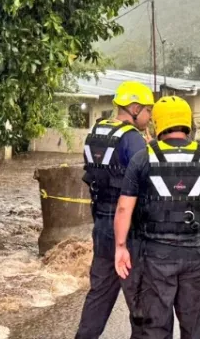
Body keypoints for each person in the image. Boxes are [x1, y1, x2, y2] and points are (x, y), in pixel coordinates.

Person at [114, 96, 200, 339]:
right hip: (197, 253)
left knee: (155, 327)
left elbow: (124, 208)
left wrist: (120, 247)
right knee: (197, 327)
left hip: (155, 254)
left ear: (158, 124)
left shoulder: (142, 159)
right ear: (187, 123)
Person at [74, 81, 154, 339]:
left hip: (101, 224)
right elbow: (147, 182)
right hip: (128, 228)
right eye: (148, 110)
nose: (150, 117)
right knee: (140, 303)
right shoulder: (132, 139)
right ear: (134, 108)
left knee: (99, 295)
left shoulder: (96, 133)